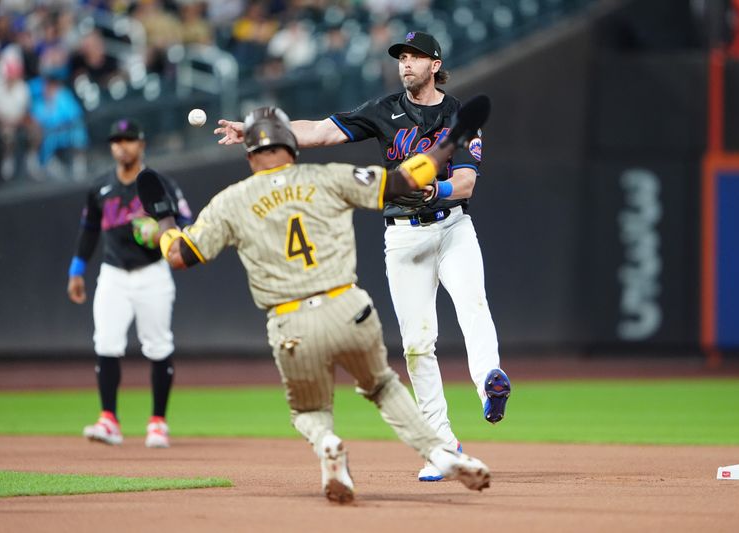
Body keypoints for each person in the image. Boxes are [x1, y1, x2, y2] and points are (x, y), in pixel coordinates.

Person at [144, 106, 491, 503]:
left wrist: (165, 221)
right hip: (349, 309)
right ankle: (440, 452)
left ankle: (327, 441)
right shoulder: (327, 177)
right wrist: (448, 144)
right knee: (381, 385)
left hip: (290, 322)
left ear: (249, 155)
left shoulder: (230, 202)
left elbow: (180, 256)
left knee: (309, 411)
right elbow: (403, 180)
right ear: (292, 145)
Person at [214, 31, 511, 482]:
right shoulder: (385, 110)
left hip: (453, 228)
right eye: (401, 57)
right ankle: (442, 446)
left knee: (473, 305)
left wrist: (436, 189)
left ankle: (490, 381)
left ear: (435, 63)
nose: (405, 64)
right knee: (415, 345)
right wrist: (259, 133)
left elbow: (466, 183)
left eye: (414, 57)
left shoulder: (457, 114)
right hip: (403, 239)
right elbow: (321, 131)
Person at [66, 119, 192, 449]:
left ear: (142, 144)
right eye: (116, 140)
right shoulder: (100, 187)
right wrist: (76, 271)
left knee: (159, 345)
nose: (122, 145)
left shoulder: (159, 183)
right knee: (106, 343)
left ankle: (158, 423)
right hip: (113, 273)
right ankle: (109, 419)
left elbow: (187, 221)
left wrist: (163, 232)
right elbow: (89, 229)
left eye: (129, 139)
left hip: (153, 272)